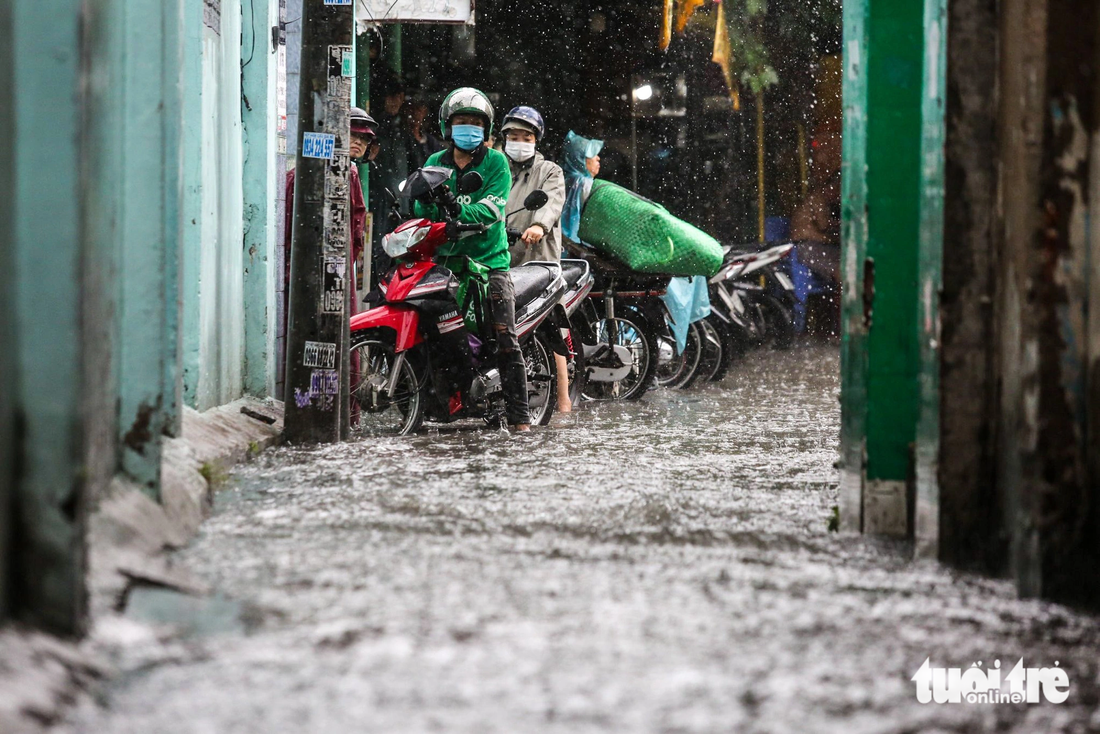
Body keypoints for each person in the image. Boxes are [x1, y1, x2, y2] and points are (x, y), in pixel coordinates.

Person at [413, 87, 531, 432]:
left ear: (487, 128)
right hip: (446, 266)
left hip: (489, 265)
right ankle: (440, 406)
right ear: (447, 127)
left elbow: (492, 208)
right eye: (461, 121)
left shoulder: (496, 163)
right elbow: (422, 208)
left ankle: (521, 418)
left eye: (475, 122)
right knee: (431, 334)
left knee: (505, 337)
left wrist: (457, 211)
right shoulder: (435, 163)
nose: (468, 128)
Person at [500, 106, 572, 414]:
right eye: (513, 136)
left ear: (536, 140)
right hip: (499, 259)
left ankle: (564, 399)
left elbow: (552, 203)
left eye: (525, 136)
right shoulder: (496, 167)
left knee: (549, 329)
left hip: (537, 262)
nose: (519, 141)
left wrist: (537, 226)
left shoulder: (550, 171)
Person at [560, 130, 604, 242]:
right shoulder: (585, 184)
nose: (598, 158)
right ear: (580, 159)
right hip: (579, 245)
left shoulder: (564, 179)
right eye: (593, 154)